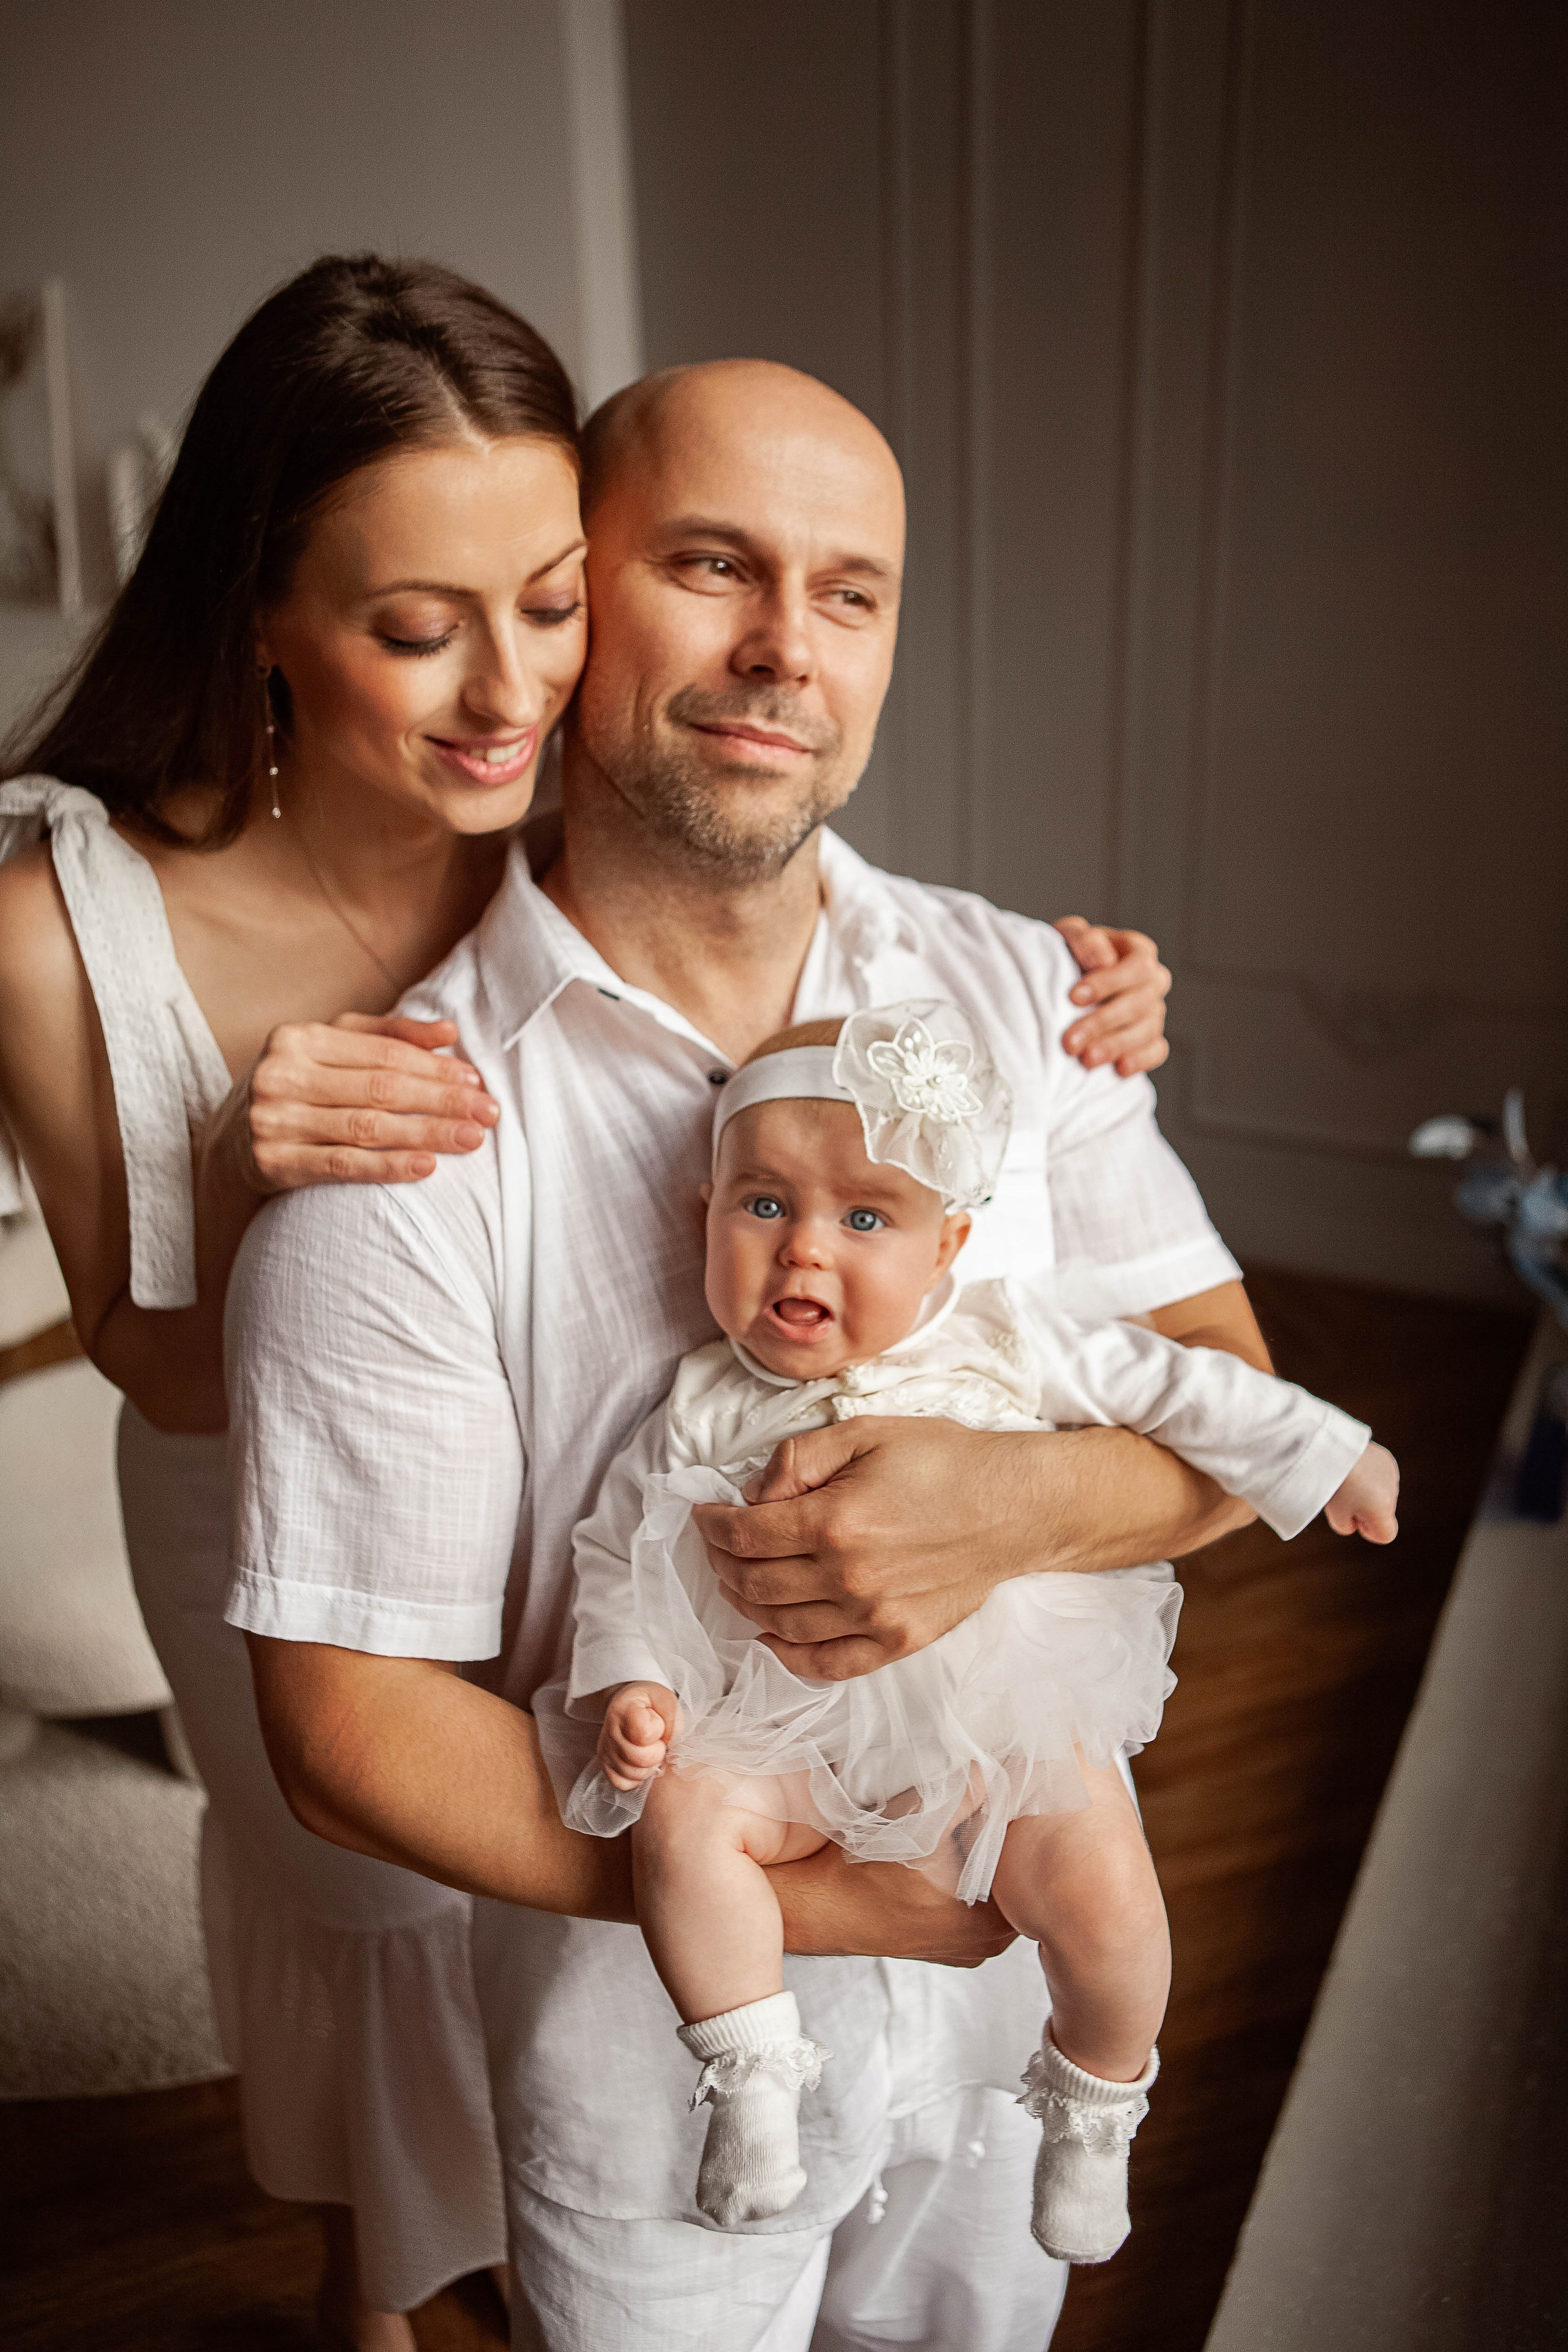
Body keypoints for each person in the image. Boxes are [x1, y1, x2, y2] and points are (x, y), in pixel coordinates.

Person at [0, 267, 1162, 2348]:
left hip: (536, 1471)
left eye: (552, 605)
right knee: (376, 1967)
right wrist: (238, 1166)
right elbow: (149, 1348)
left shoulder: (553, 788)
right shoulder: (60, 923)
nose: (503, 690)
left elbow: (751, 840)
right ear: (264, 611)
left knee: (527, 1976)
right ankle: (370, 2288)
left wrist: (1062, 995)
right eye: (419, 629)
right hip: (220, 1447)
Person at [548, 1003, 1400, 2261]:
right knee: (683, 1823)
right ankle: (752, 2088)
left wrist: (1323, 1446)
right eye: (763, 1206)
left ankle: (1097, 2101)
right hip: (775, 1729)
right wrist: (627, 1685)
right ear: (704, 1212)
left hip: (992, 1732)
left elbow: (1176, 1384)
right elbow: (610, 1555)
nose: (804, 1257)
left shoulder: (1002, 1334)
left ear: (946, 1242)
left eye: (865, 1218)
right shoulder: (693, 1405)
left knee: (1107, 1897)